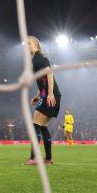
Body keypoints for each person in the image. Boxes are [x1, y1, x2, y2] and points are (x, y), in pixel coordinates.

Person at [24, 36, 61, 165]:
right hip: (48, 95)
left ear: (36, 45)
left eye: (29, 43)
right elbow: (44, 81)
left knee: (35, 124)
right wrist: (38, 96)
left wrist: (50, 94)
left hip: (50, 96)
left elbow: (49, 73)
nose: (27, 45)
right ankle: (49, 159)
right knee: (42, 126)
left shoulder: (39, 58)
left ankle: (34, 158)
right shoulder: (36, 60)